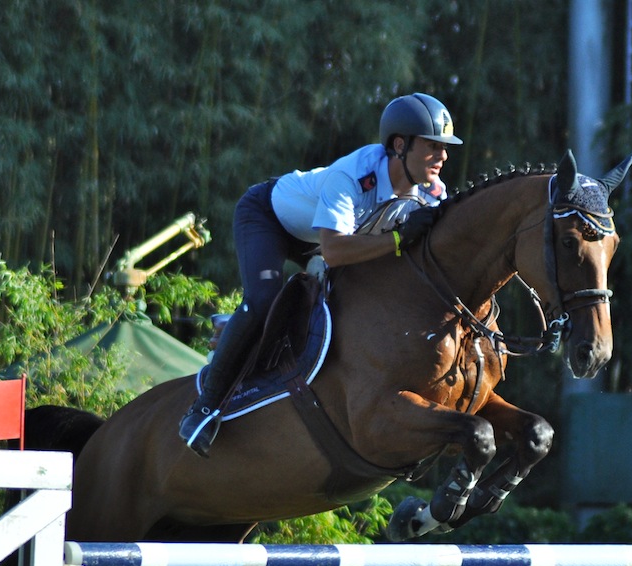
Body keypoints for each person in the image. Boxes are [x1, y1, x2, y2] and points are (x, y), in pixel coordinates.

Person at [178, 92, 464, 457]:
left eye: (445, 147)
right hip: (269, 218)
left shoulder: (433, 192)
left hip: (324, 241)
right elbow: (336, 251)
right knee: (264, 300)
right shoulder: (353, 174)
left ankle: (245, 340)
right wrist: (396, 239)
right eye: (432, 146)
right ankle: (204, 409)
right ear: (399, 145)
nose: (443, 156)